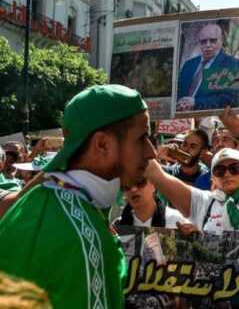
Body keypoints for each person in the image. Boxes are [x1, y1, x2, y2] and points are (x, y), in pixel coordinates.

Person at [0, 84, 156, 308]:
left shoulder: (36, 202)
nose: (151, 151)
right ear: (102, 144)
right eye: (142, 138)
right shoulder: (83, 234)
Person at [144, 107, 239, 234]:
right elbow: (157, 175)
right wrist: (155, 155)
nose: (227, 174)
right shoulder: (205, 203)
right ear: (212, 177)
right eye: (220, 170)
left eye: (235, 168)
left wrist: (238, 130)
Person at [176, 23, 239, 112]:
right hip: (181, 120)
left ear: (221, 40)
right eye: (203, 41)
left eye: (212, 40)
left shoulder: (231, 64)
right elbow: (178, 91)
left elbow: (232, 100)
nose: (207, 45)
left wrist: (196, 102)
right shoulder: (189, 64)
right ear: (199, 43)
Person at [117, 179, 187, 229]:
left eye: (140, 182)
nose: (133, 189)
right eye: (127, 186)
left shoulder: (177, 221)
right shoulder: (118, 225)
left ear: (154, 185)